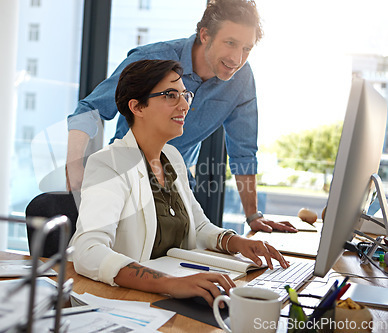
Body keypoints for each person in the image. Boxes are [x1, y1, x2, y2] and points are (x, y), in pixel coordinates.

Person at [70, 59, 289, 306]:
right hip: (130, 301)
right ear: (137, 107)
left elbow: (198, 227)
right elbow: (87, 251)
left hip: (175, 295)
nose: (184, 104)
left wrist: (238, 242)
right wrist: (168, 283)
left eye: (185, 95)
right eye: (170, 95)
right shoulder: (109, 163)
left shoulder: (172, 157)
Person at [66, 0, 297, 233]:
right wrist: (75, 168)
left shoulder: (241, 80)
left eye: (247, 48)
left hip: (178, 187)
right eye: (230, 43)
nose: (237, 59)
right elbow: (90, 109)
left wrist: (253, 216)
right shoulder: (153, 60)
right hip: (127, 181)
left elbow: (243, 151)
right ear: (205, 35)